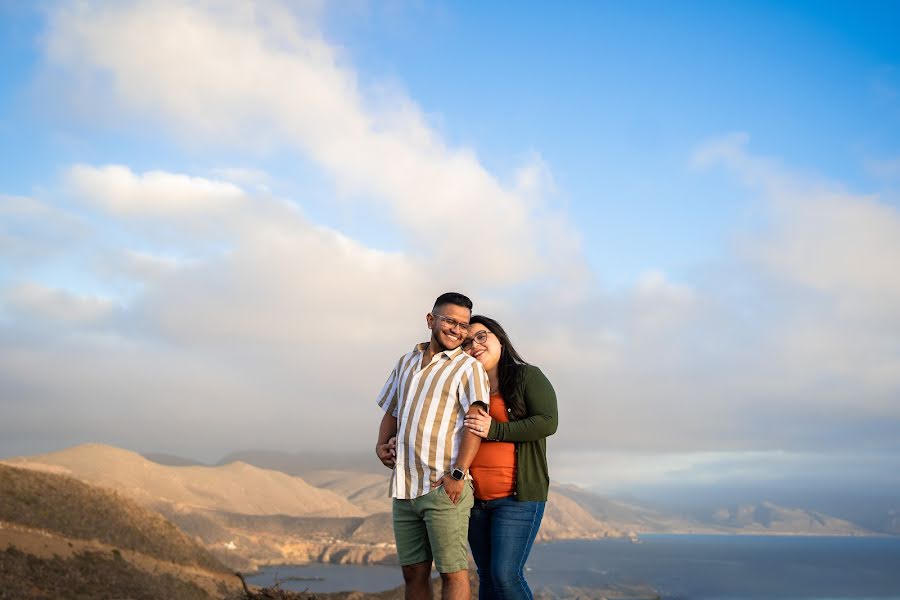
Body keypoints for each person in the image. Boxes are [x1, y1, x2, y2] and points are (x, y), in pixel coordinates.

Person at [375, 292, 491, 600]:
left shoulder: (468, 368)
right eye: (450, 321)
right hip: (404, 487)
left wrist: (457, 472)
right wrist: (380, 444)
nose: (457, 329)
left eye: (463, 325)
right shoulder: (406, 362)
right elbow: (392, 409)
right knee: (413, 573)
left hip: (443, 486)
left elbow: (476, 423)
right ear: (431, 320)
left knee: (452, 572)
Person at [461, 316, 559, 600]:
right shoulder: (466, 387)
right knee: (488, 578)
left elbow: (548, 422)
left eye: (481, 336)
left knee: (505, 575)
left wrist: (496, 429)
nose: (475, 345)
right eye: (467, 342)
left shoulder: (526, 376)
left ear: (499, 339)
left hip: (516, 498)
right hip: (474, 501)